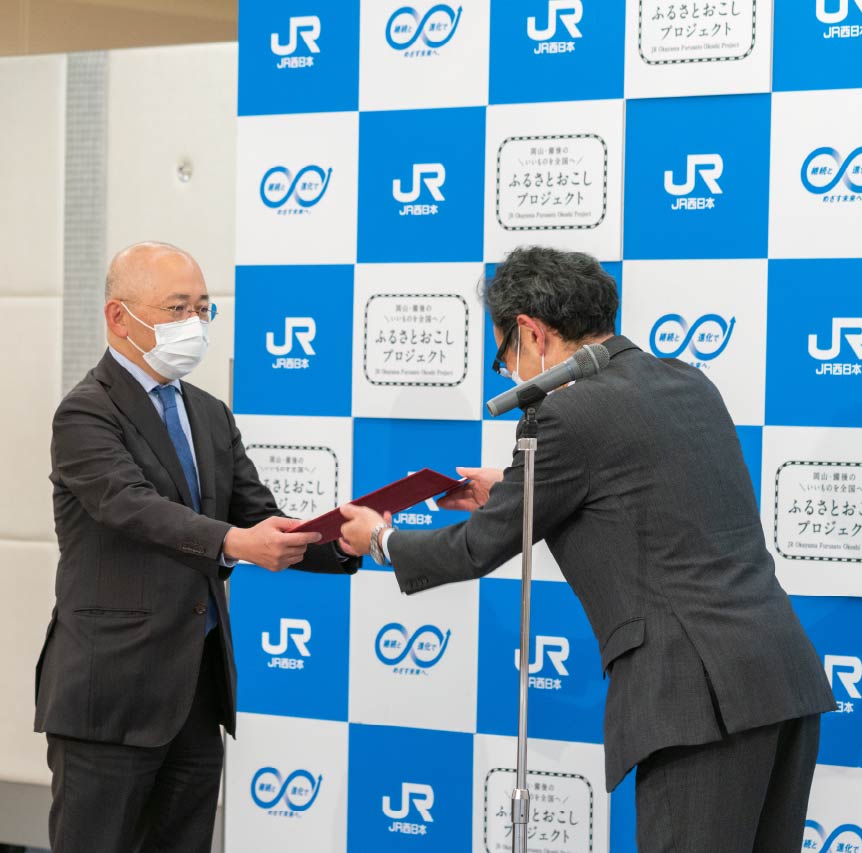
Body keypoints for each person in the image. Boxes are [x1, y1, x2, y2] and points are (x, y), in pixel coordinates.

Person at [339, 247, 835, 853]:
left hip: (700, 699)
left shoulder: (565, 416)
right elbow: (642, 491)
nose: (510, 373)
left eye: (505, 357)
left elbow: (475, 548)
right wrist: (513, 488)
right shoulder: (686, 380)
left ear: (532, 332)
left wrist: (381, 540)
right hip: (781, 678)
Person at [35, 241, 357, 853]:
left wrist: (348, 538)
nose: (195, 322)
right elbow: (133, 508)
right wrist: (234, 543)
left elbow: (258, 515)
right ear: (119, 317)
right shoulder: (84, 413)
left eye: (204, 308)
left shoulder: (209, 413)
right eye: (177, 307)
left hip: (196, 691)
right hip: (111, 693)